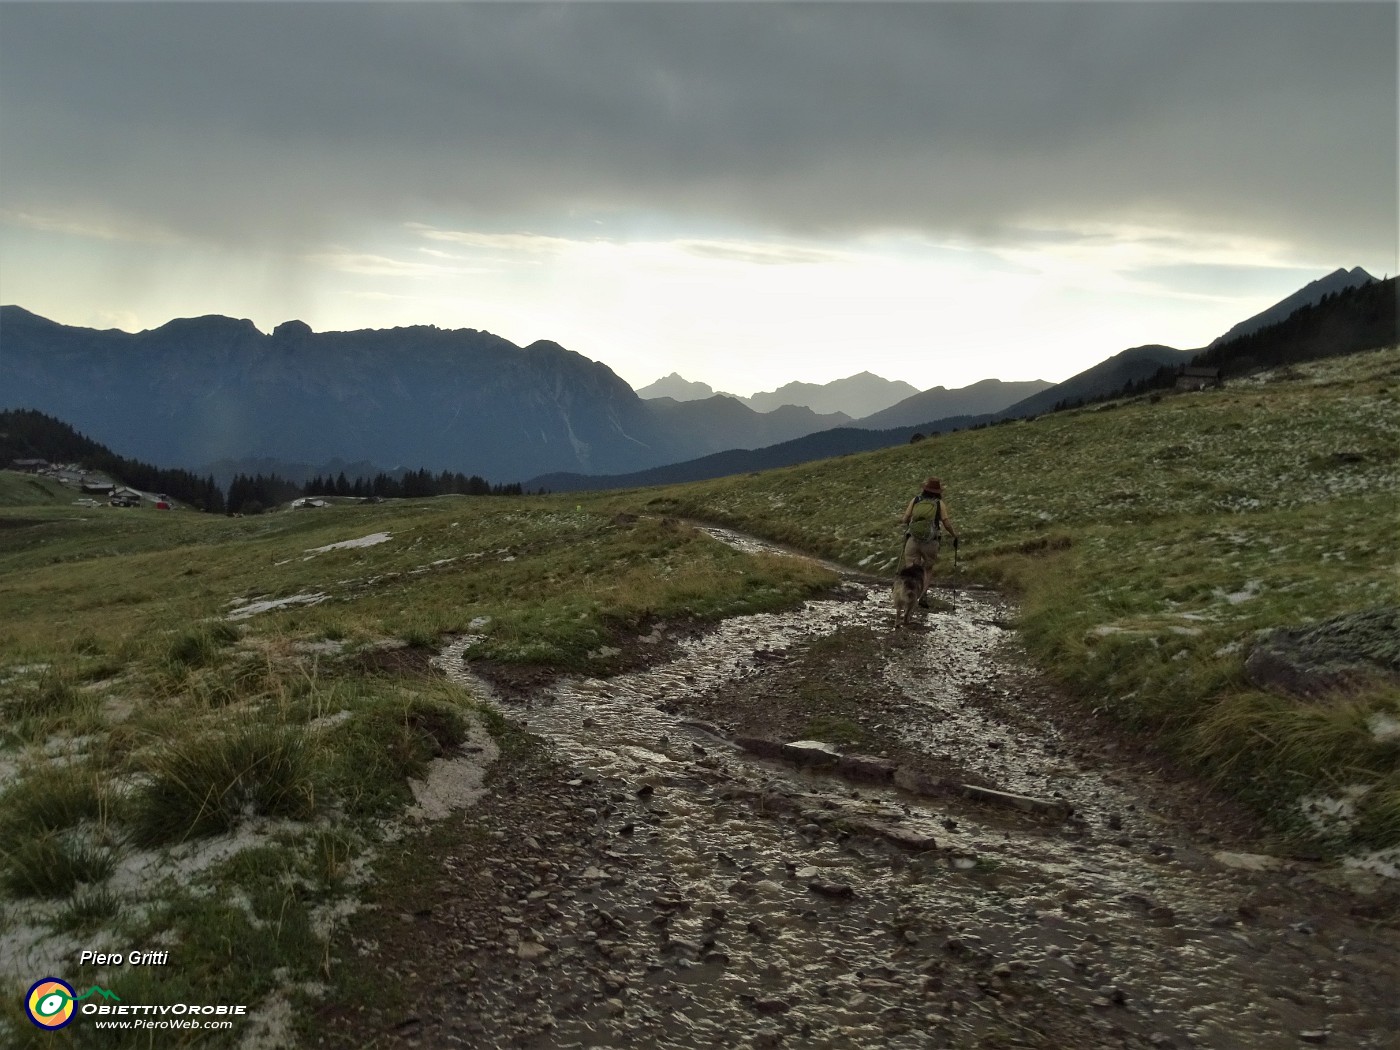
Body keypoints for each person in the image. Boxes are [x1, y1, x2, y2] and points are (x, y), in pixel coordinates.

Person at [899, 476, 960, 607]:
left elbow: (905, 519)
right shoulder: (939, 504)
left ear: (925, 489)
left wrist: (912, 524)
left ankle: (909, 593)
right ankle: (922, 595)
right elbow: (946, 522)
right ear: (938, 492)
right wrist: (954, 535)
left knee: (911, 567)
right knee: (928, 569)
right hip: (931, 541)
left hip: (913, 539)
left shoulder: (916, 500)